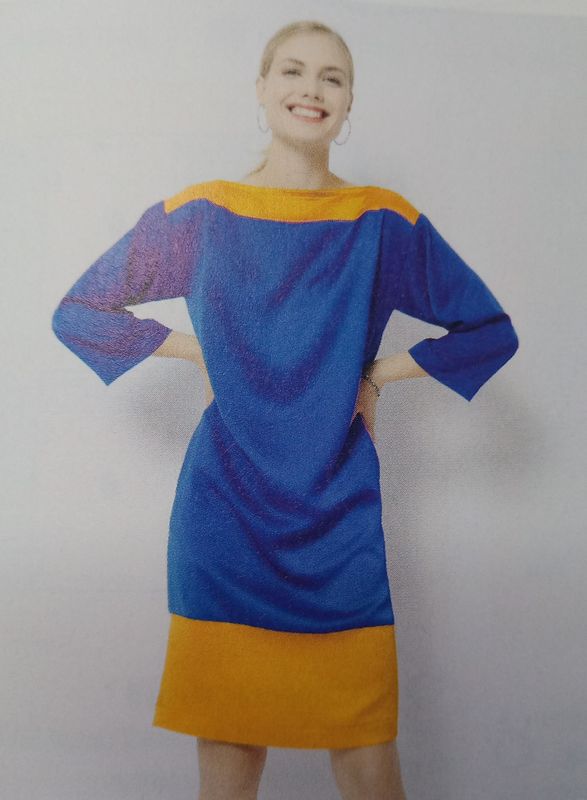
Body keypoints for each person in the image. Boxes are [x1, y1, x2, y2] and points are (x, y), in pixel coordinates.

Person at [51, 19, 519, 800]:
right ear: (262, 90)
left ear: (348, 103)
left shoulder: (382, 220)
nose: (312, 89)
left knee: (366, 758)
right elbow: (79, 312)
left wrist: (378, 375)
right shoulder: (201, 214)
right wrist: (197, 352)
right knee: (229, 763)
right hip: (224, 519)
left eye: (332, 77)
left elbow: (488, 330)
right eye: (294, 71)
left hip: (337, 521)